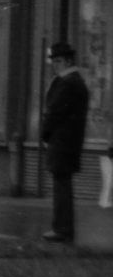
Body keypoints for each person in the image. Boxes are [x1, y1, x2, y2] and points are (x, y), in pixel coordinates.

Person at [42, 42, 90, 243]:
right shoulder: (72, 81)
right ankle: (62, 228)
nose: (55, 65)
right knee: (62, 184)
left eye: (59, 61)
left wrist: (45, 134)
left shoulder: (69, 82)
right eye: (54, 61)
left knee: (61, 186)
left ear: (69, 61)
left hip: (63, 142)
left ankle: (62, 229)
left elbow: (54, 113)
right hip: (66, 141)